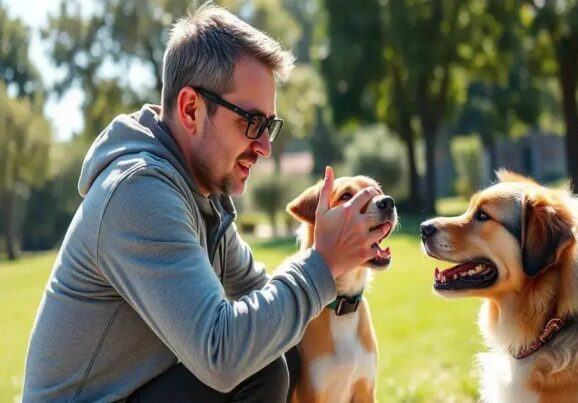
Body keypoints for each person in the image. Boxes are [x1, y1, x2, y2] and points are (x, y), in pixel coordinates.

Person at [22, 4, 387, 402]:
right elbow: (222, 354)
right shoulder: (138, 193)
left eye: (270, 126)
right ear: (191, 109)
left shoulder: (201, 197)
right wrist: (322, 262)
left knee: (278, 353)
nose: (264, 147)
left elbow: (260, 294)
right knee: (255, 367)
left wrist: (341, 290)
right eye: (251, 122)